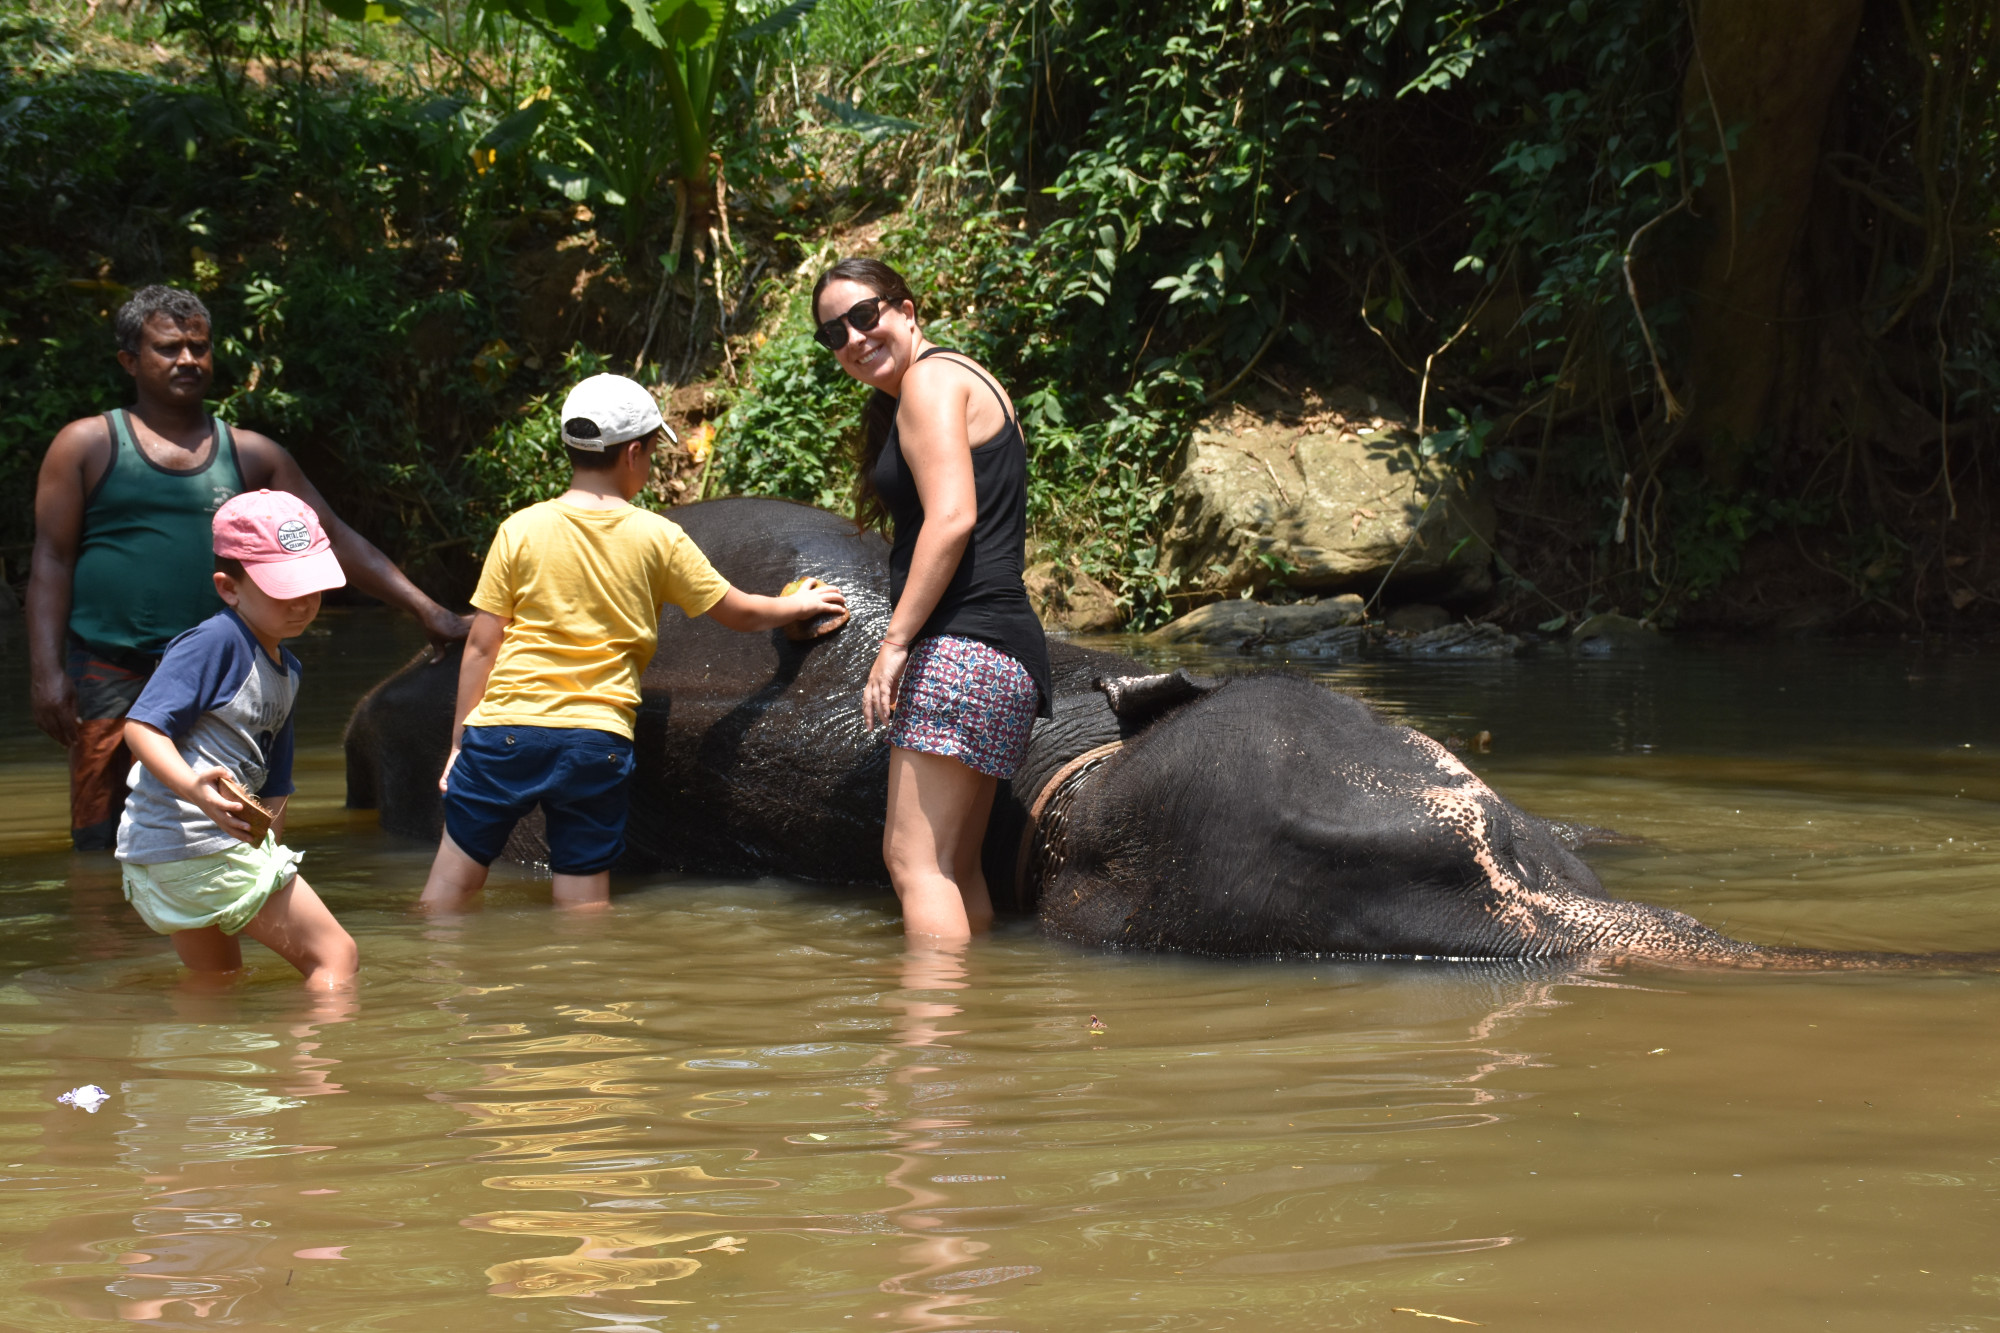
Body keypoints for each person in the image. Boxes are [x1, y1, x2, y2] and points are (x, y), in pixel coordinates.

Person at [29, 285, 470, 851]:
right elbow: (52, 559)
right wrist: (46, 673)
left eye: (199, 346)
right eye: (169, 348)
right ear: (129, 361)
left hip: (223, 668)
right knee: (100, 837)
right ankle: (107, 937)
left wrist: (428, 612)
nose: (188, 359)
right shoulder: (85, 444)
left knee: (231, 827)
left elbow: (331, 537)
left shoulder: (251, 454)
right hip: (112, 669)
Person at [419, 373, 849, 913]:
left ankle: (439, 987)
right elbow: (737, 611)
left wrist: (460, 745)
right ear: (635, 453)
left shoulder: (520, 529)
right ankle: (589, 993)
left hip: (505, 729)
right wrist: (799, 605)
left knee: (449, 892)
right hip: (594, 739)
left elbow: (482, 647)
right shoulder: (657, 536)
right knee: (583, 905)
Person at [811, 257, 1052, 944]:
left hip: (961, 646)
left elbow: (952, 518)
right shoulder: (972, 379)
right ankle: (963, 1032)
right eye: (835, 333)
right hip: (1005, 651)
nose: (854, 338)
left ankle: (928, 1048)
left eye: (865, 315)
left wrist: (892, 647)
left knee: (913, 862)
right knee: (952, 866)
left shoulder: (928, 381)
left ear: (907, 311)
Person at [116, 490, 359, 990]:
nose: (302, 603)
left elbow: (277, 779)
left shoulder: (286, 670)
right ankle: (314, 1070)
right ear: (229, 588)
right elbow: (141, 727)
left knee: (218, 978)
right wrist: (193, 788)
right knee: (336, 958)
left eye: (311, 587)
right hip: (197, 839)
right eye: (283, 589)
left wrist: (269, 836)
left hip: (164, 852)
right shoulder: (217, 642)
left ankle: (203, 1066)